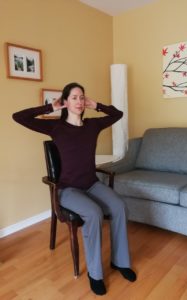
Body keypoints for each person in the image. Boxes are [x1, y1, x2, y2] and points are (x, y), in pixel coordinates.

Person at [12, 82, 136, 295]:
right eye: (74, 97)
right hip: (68, 190)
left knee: (119, 206)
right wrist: (50, 108)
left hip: (92, 184)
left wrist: (96, 104)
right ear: (66, 101)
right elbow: (19, 117)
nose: (79, 101)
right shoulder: (55, 127)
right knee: (94, 213)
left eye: (82, 97)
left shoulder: (92, 125)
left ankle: (120, 262)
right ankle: (95, 274)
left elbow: (118, 114)